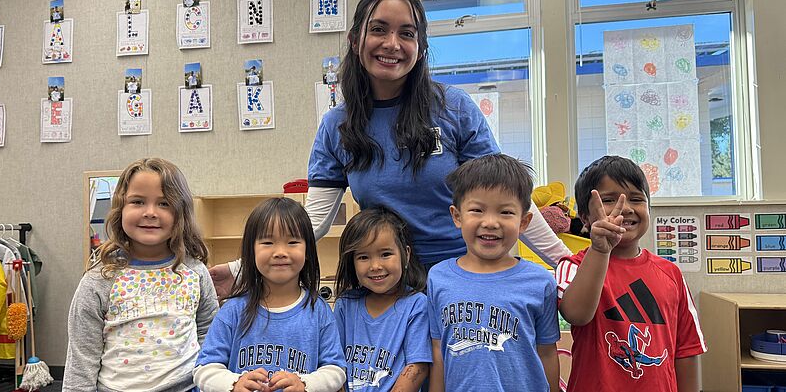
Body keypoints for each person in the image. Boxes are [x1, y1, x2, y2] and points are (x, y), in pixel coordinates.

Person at [209, 0, 570, 297]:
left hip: (469, 275)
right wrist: (241, 268)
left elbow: (509, 198)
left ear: (421, 46)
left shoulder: (455, 108)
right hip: (388, 281)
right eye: (379, 30)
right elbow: (314, 222)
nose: (392, 44)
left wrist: (566, 262)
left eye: (407, 33)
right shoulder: (337, 126)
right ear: (355, 40)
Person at [64, 158, 219, 392]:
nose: (150, 213)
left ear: (182, 213)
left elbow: (210, 337)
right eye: (137, 201)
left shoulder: (195, 272)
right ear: (120, 209)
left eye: (165, 203)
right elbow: (82, 358)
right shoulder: (99, 279)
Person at [555, 156, 706, 391]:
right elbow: (576, 314)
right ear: (584, 217)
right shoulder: (573, 265)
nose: (625, 208)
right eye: (608, 200)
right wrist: (599, 249)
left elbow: (686, 348)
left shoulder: (671, 273)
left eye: (636, 199)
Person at [427, 154, 560, 392]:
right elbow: (439, 352)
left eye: (505, 212)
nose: (490, 222)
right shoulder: (438, 277)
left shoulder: (541, 282)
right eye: (477, 210)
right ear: (457, 216)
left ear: (524, 222)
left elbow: (547, 353)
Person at [194, 198, 346, 392]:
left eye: (292, 242)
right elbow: (203, 369)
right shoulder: (232, 310)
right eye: (267, 242)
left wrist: (306, 384)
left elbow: (336, 370)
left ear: (308, 249)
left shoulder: (319, 310)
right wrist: (233, 384)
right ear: (251, 251)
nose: (280, 252)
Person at [333, 206, 430, 391]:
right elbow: (333, 362)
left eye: (385, 254)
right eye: (363, 257)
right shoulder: (345, 304)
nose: (375, 266)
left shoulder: (417, 305)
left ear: (406, 254)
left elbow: (418, 366)